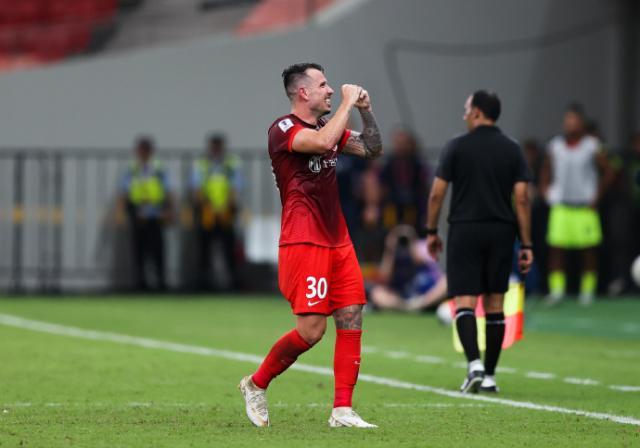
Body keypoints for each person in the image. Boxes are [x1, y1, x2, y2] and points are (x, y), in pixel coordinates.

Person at [238, 62, 383, 428]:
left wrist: (366, 111)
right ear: (303, 92)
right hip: (304, 240)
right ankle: (256, 384)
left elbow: (372, 148)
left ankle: (342, 410)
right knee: (312, 331)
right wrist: (348, 103)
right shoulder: (283, 129)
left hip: (338, 239)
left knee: (351, 316)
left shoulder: (326, 127)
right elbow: (320, 144)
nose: (331, 90)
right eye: (323, 84)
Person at [426, 91, 533, 394]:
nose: (464, 115)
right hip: (501, 231)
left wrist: (431, 231)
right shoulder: (512, 149)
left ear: (477, 112)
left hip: (465, 229)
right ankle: (490, 376)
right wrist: (527, 244)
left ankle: (473, 364)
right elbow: (522, 199)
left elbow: (436, 194)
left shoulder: (456, 146)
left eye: (466, 109)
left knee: (465, 302)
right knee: (495, 304)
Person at [539, 104, 614, 305]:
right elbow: (545, 170)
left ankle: (587, 291)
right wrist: (545, 190)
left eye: (574, 120)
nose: (570, 124)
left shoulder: (592, 145)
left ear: (581, 122)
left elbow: (609, 171)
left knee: (588, 250)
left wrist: (597, 196)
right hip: (561, 206)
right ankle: (557, 290)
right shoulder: (555, 145)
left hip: (584, 207)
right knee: (556, 249)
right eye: (567, 120)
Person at [119, 136, 174, 291]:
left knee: (158, 250)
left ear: (151, 151)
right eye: (141, 150)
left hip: (156, 215)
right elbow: (124, 191)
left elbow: (168, 190)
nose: (143, 153)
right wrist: (121, 213)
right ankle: (140, 283)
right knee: (138, 250)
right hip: (137, 215)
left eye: (146, 150)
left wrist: (169, 210)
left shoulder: (159, 168)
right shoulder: (132, 169)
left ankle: (160, 282)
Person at [190, 133, 242, 290]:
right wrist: (207, 207)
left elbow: (236, 188)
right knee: (204, 249)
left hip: (226, 213)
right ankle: (204, 283)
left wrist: (226, 207)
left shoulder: (230, 164)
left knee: (229, 248)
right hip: (206, 213)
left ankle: (233, 282)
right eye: (214, 147)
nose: (216, 150)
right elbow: (196, 189)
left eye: (218, 147)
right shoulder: (202, 164)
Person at [368, 225, 447, 312]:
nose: (402, 241)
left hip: (424, 293)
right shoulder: (391, 252)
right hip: (402, 296)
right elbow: (384, 277)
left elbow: (420, 260)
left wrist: (411, 242)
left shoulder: (422, 245)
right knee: (377, 293)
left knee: (446, 282)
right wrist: (390, 250)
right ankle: (407, 308)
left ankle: (420, 305)